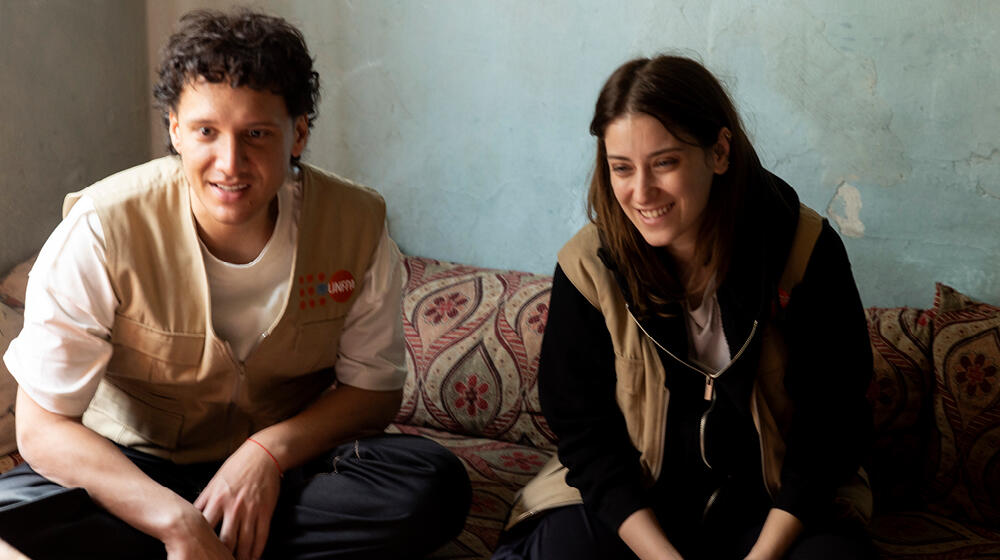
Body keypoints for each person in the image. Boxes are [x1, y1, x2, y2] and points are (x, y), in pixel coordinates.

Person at [0, 9, 469, 560]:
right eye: (206, 131)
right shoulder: (104, 227)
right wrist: (175, 522)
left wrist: (266, 454)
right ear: (174, 128)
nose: (230, 163)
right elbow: (41, 425)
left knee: (431, 486)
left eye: (257, 135)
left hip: (285, 472)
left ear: (299, 134)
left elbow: (373, 394)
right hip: (133, 470)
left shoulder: (355, 225)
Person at [493, 55, 876, 560]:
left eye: (665, 162)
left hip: (775, 502)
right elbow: (587, 438)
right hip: (638, 500)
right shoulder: (588, 268)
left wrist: (763, 556)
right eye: (621, 168)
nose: (641, 192)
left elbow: (833, 425)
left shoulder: (804, 250)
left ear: (719, 151)